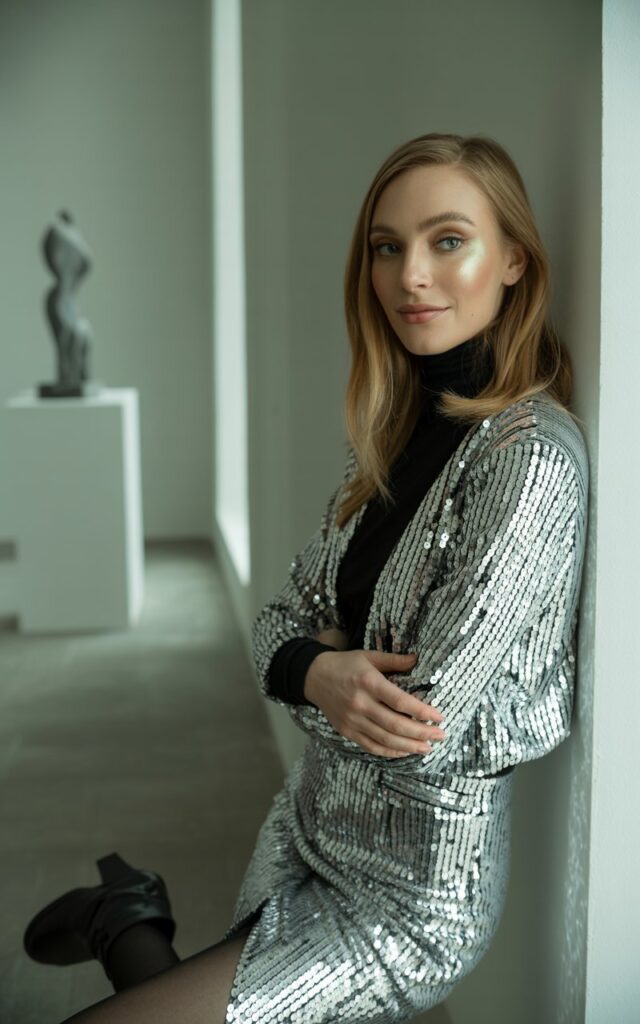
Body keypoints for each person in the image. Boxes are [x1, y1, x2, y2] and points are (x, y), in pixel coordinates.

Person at [22, 132, 589, 1023]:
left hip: (409, 899)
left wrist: (310, 665)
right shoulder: (394, 433)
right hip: (307, 824)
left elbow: (418, 723)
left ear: (514, 258)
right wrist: (318, 670)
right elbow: (276, 623)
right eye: (387, 247)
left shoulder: (532, 456)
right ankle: (126, 915)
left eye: (448, 240)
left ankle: (124, 919)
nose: (411, 276)